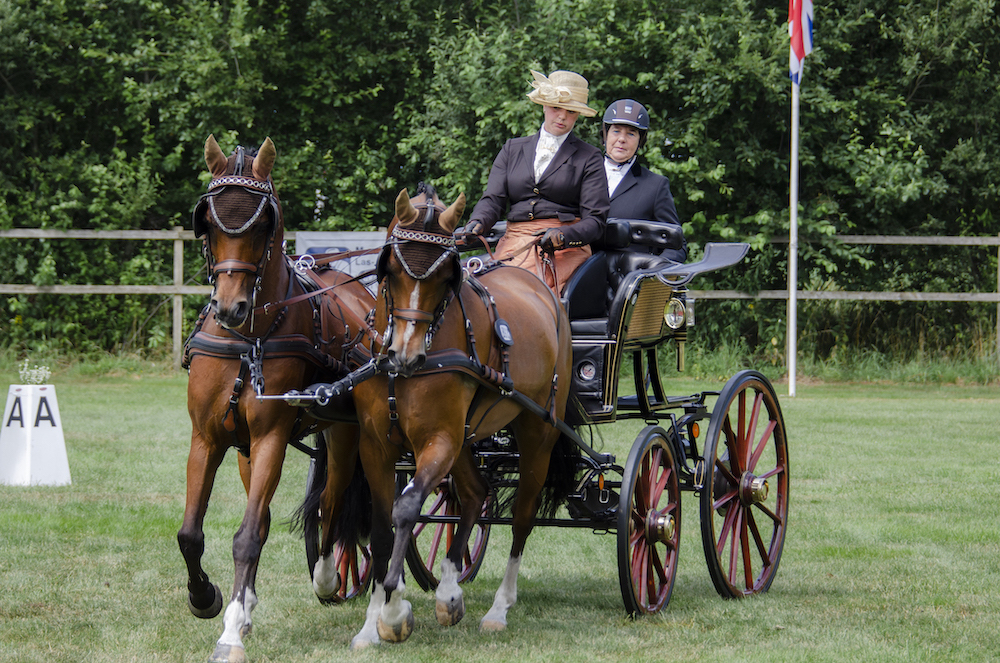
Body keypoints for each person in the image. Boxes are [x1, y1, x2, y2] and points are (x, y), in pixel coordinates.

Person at [464, 69, 610, 295]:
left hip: (563, 251)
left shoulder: (589, 157)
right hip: (513, 244)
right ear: (544, 106)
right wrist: (478, 222)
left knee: (518, 293)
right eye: (556, 108)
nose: (562, 116)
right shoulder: (512, 149)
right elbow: (493, 200)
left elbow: (596, 221)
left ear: (578, 115)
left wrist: (563, 236)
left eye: (570, 111)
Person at [602, 99, 687, 263]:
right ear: (605, 135)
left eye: (631, 134)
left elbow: (677, 245)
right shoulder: (583, 174)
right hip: (580, 271)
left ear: (640, 140)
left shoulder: (655, 186)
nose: (622, 139)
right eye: (616, 131)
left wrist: (653, 270)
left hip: (628, 274)